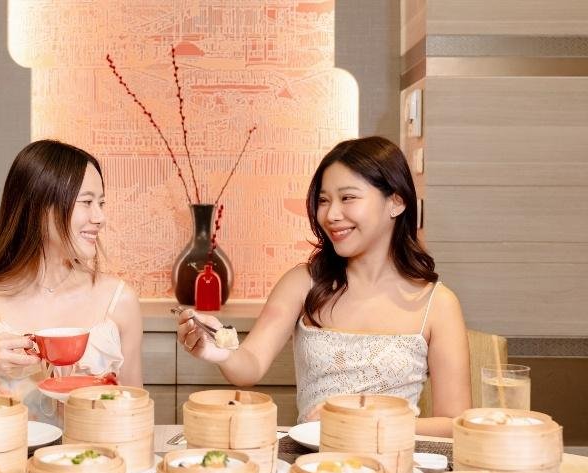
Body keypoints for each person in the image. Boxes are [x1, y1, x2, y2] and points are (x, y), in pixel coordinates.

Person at [177, 136, 470, 436]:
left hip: (393, 458)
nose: (331, 215)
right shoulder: (302, 283)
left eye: (348, 198)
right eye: (323, 200)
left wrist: (363, 422)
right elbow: (250, 363)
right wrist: (220, 351)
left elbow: (454, 423)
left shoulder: (438, 304)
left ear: (396, 202)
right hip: (314, 459)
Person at [0, 140, 142, 436]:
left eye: (101, 203)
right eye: (86, 202)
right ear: (40, 207)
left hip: (94, 463)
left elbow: (137, 416)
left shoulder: (119, 301)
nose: (99, 218)